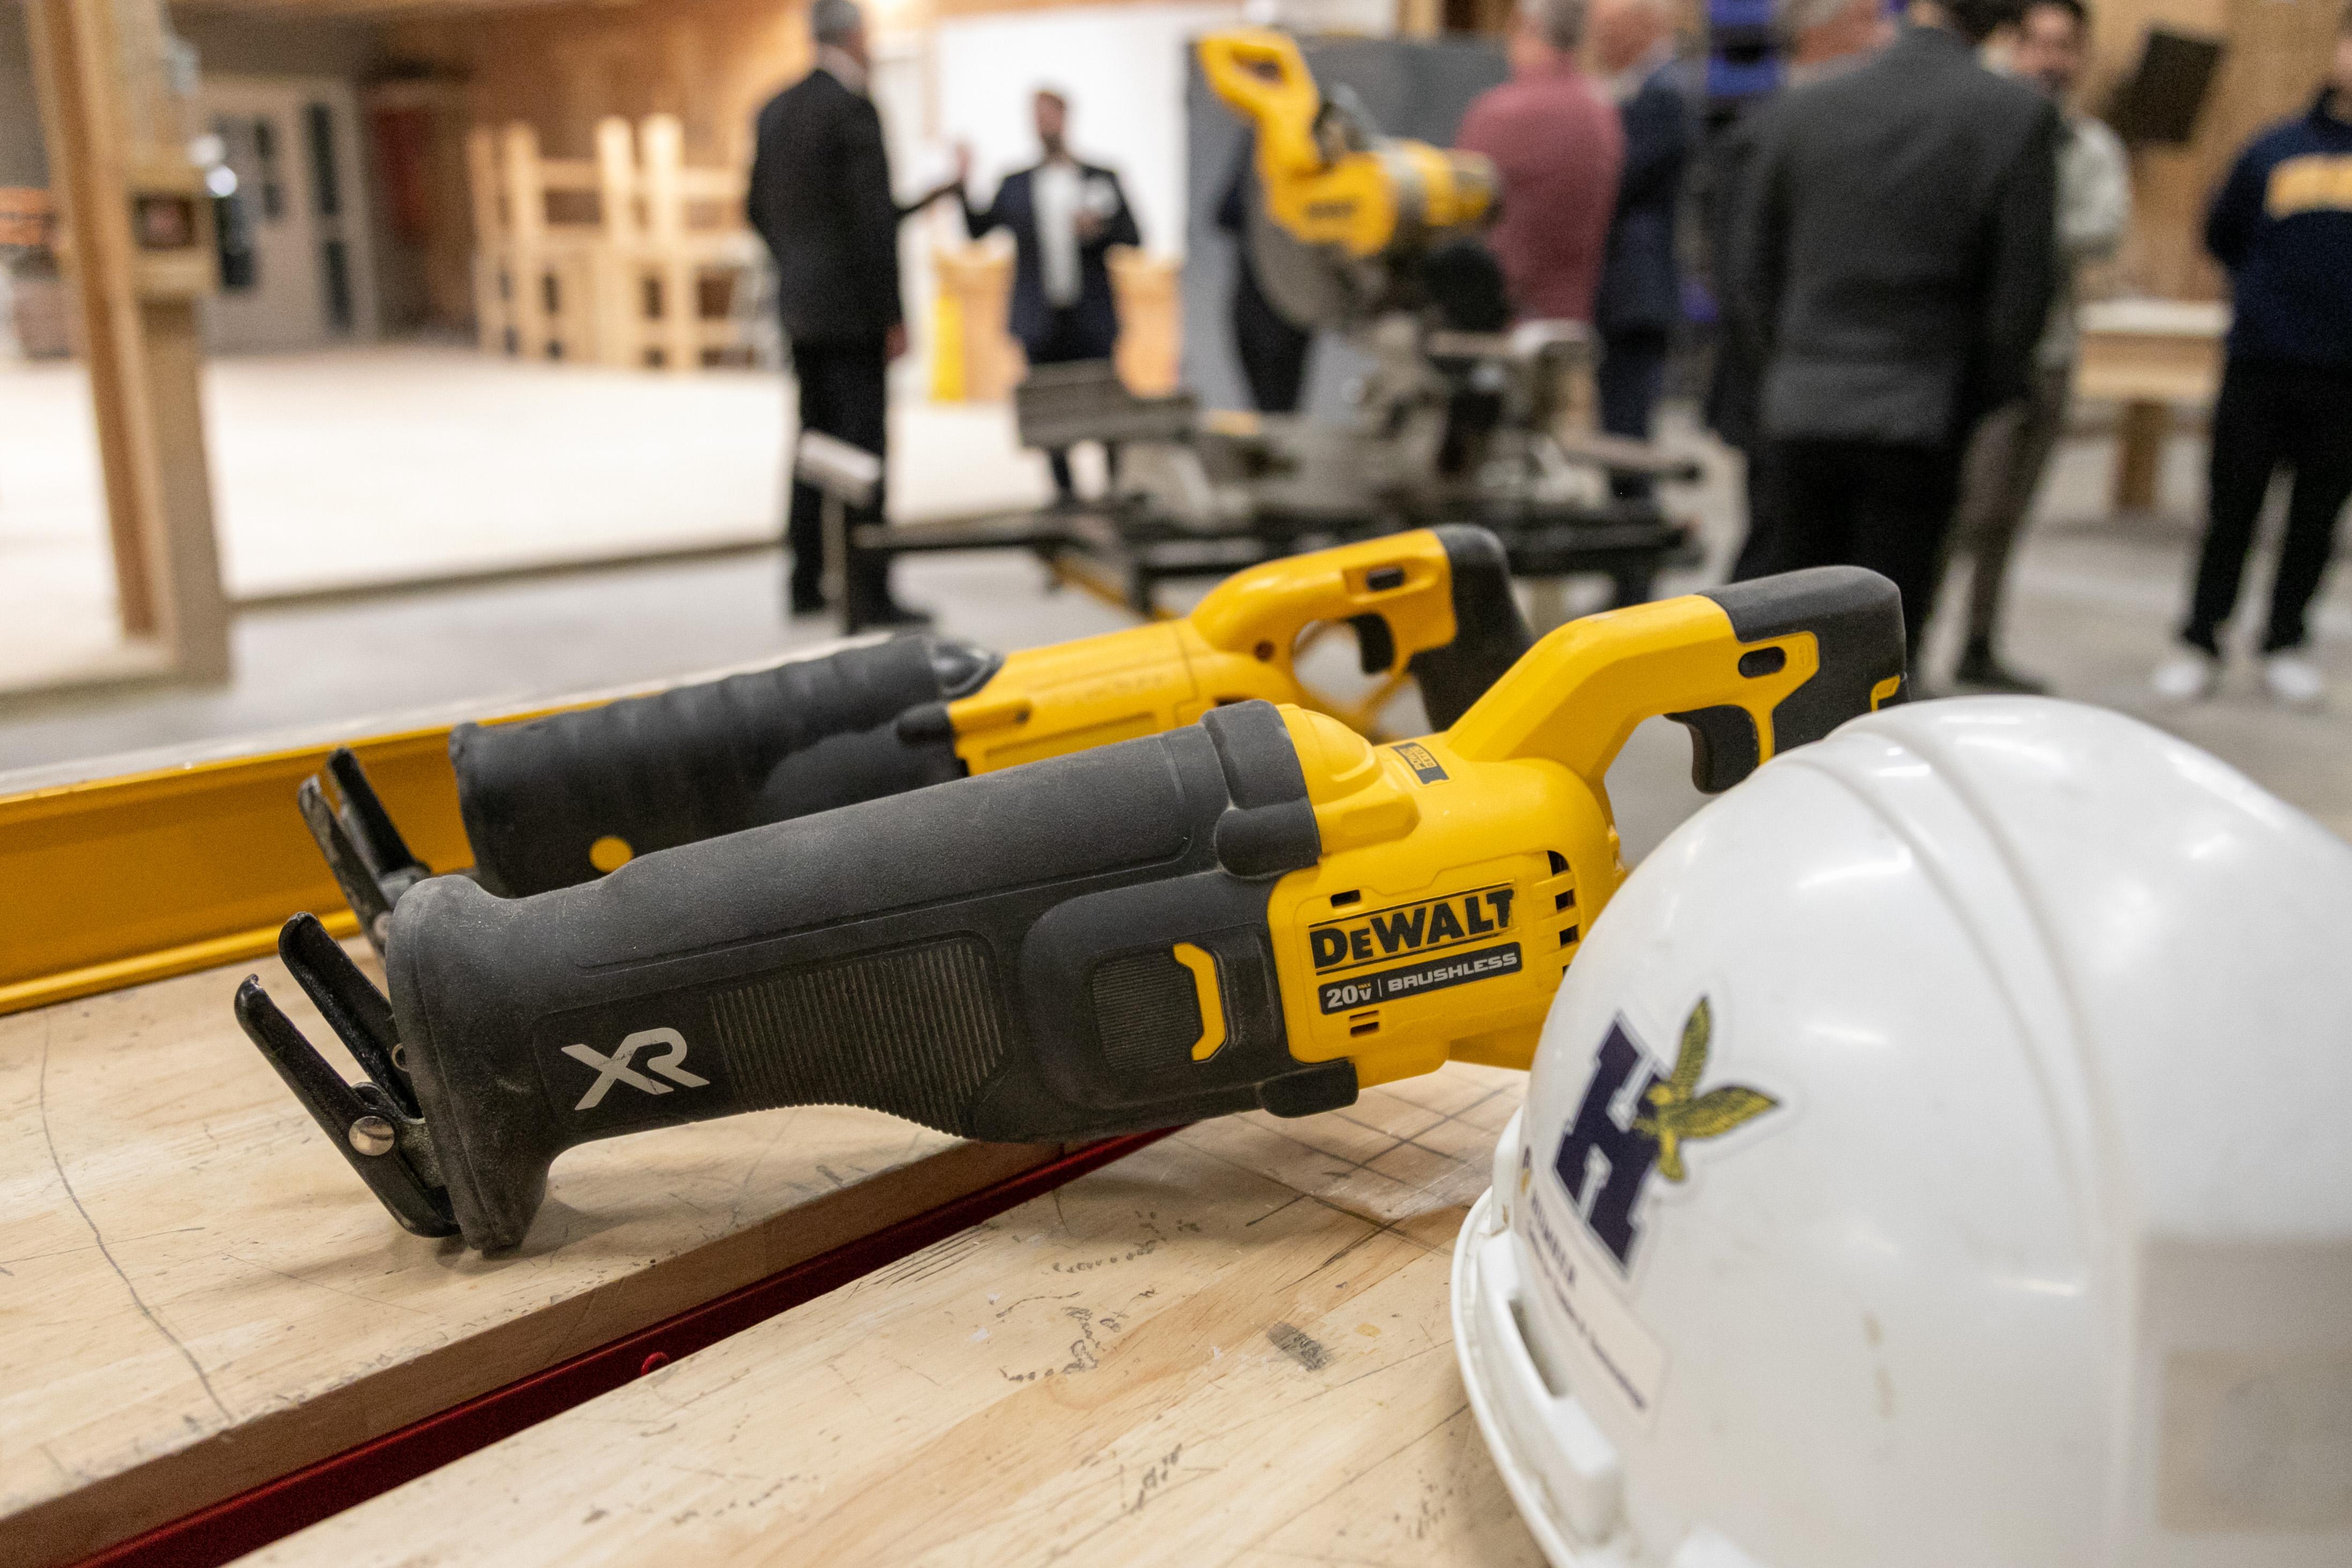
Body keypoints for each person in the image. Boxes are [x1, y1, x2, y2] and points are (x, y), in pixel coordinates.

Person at [1730, 0, 2059, 657]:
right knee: (1884, 633)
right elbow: (2021, 292)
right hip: (1923, 407)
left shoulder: (1802, 110)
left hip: (1802, 396)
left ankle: (1782, 756)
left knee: (1786, 622)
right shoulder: (2013, 114)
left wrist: (1784, 363)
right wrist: (1978, 398)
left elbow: (1747, 268)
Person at [2152, 9, 2352, 708]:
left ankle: (2283, 641)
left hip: (2342, 379)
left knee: (2314, 519)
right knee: (2229, 510)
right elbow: (2223, 233)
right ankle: (2198, 637)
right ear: (2335, 50)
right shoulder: (2273, 149)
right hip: (2261, 365)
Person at [1942, 0, 2128, 693]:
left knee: (2008, 517)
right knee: (1960, 511)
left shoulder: (2088, 148)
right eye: (2036, 44)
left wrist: (2017, 223)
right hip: (1973, 354)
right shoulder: (1973, 130)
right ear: (2009, 46)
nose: (2048, 60)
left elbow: (2099, 227)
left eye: (2064, 46)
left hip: (2047, 355)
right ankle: (1905, 650)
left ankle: (1977, 643)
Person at [746, 0, 934, 625]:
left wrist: (795, 272)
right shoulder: (853, 108)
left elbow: (755, 210)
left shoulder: (774, 108)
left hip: (800, 310)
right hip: (853, 315)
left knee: (812, 443)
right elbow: (872, 224)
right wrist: (894, 314)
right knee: (864, 450)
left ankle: (803, 581)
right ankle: (867, 590)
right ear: (854, 37)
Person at [1708, 0, 1894, 579]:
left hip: (1827, 387)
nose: (1886, 33)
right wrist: (1788, 377)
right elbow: (1744, 280)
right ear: (1821, 35)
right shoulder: (1768, 131)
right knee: (1773, 564)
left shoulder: (1854, 126)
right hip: (1778, 387)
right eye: (1867, 19)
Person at [958, 91, 1141, 503]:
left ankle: (1114, 490)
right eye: (1037, 117)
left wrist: (1100, 232)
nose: (1045, 125)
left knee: (1104, 404)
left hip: (1090, 315)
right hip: (1040, 318)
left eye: (1050, 115)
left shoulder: (1099, 176)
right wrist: (962, 184)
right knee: (1049, 411)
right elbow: (977, 230)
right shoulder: (1016, 183)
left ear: (1065, 116)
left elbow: (1134, 236)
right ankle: (1065, 495)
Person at [1454, 0, 1625, 326]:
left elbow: (1456, 214)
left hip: (1506, 329)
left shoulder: (1499, 113)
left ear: (1528, 26)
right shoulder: (1601, 111)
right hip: (1576, 320)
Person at [1590, 0, 1693, 498]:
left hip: (1635, 292)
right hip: (1625, 291)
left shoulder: (1664, 94)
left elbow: (1619, 176)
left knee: (1627, 435)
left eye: (1609, 29)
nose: (1599, 42)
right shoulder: (1641, 90)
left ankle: (1633, 564)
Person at [1216, 136, 1313, 414]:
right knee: (1261, 402)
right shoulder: (1253, 151)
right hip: (1251, 293)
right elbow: (1224, 213)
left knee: (1280, 403)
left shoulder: (1305, 160)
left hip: (1289, 299)